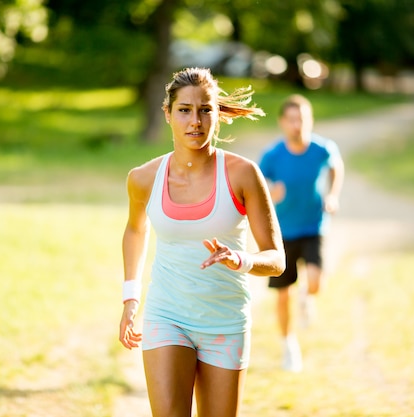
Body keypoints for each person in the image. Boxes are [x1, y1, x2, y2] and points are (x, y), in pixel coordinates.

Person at [118, 67, 285, 417]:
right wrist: (130, 299)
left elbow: (277, 258)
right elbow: (136, 230)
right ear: (167, 113)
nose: (195, 121)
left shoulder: (242, 174)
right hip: (168, 316)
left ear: (217, 114)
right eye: (184, 110)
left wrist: (242, 259)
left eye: (205, 110)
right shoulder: (144, 179)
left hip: (224, 321)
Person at [259, 94, 344, 373]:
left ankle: (308, 299)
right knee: (283, 294)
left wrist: (332, 195)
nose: (298, 125)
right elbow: (258, 188)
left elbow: (336, 167)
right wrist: (271, 192)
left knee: (316, 281)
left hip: (313, 225)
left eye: (303, 120)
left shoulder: (322, 149)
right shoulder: (272, 156)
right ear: (283, 123)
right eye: (292, 120)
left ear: (310, 121)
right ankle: (288, 346)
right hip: (281, 233)